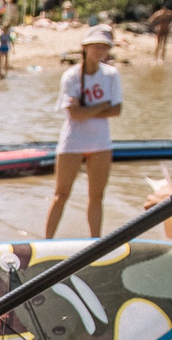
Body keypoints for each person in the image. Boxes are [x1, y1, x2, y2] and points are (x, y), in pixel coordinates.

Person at [46, 25, 122, 237]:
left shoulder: (111, 75)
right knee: (61, 195)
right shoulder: (71, 76)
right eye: (95, 46)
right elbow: (74, 114)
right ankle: (46, 240)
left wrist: (85, 108)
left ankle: (95, 242)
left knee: (96, 197)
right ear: (85, 48)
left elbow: (116, 110)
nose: (99, 51)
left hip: (100, 142)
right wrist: (100, 106)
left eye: (103, 47)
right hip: (73, 141)